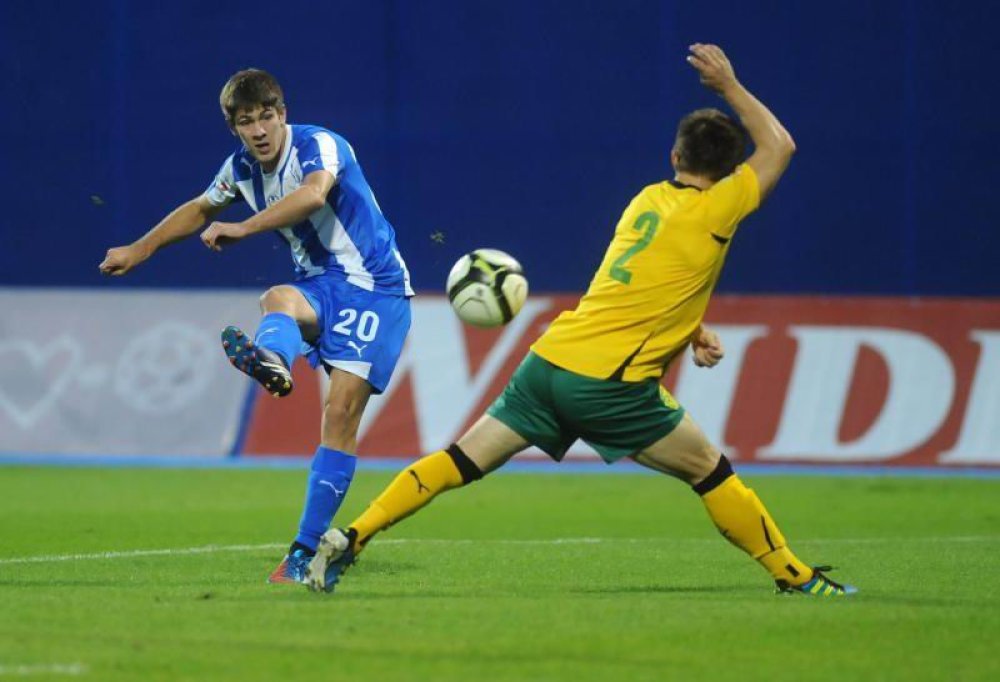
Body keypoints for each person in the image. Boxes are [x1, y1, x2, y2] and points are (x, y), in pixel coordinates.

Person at [305, 44, 857, 597]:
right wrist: (729, 85)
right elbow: (780, 145)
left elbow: (643, 284)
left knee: (459, 460)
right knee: (709, 471)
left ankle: (353, 535)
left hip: (550, 363)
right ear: (732, 172)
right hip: (609, 385)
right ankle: (793, 575)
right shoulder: (721, 207)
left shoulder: (647, 202)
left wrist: (692, 330)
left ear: (674, 156)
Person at [99, 68, 413, 584]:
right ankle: (274, 361)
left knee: (339, 415)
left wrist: (243, 226)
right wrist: (141, 248)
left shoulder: (320, 145)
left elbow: (313, 195)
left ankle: (304, 551)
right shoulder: (241, 168)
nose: (260, 129)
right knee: (277, 298)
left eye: (267, 116)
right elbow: (200, 208)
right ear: (235, 128)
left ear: (283, 114)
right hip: (320, 284)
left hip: (374, 287)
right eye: (247, 121)